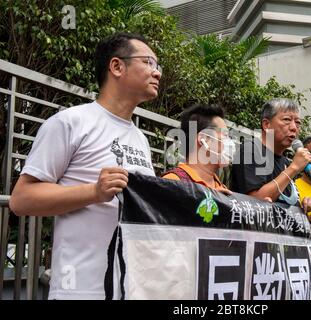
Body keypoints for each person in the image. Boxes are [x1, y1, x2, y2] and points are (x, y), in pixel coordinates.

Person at [9, 32, 161, 299]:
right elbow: (21, 200)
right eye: (148, 62)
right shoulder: (71, 123)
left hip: (132, 288)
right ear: (117, 66)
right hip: (79, 289)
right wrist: (94, 192)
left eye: (157, 66)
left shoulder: (141, 139)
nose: (156, 73)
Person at [231, 98, 311, 244]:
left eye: (298, 123)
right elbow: (256, 202)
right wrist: (294, 168)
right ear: (266, 124)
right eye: (286, 120)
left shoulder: (285, 162)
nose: (294, 128)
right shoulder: (251, 150)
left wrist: (309, 212)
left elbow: (286, 207)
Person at [162, 104, 233, 193]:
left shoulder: (222, 188)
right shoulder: (173, 182)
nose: (230, 142)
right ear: (203, 139)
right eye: (225, 135)